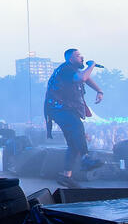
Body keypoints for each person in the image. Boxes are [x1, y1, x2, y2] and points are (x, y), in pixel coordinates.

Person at [44, 48, 105, 189]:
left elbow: (86, 78)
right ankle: (85, 159)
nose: (82, 57)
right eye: (78, 55)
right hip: (58, 108)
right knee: (77, 127)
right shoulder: (65, 69)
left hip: (63, 108)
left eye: (81, 55)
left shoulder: (72, 70)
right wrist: (92, 65)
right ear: (70, 59)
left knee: (73, 143)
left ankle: (66, 176)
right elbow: (82, 78)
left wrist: (99, 90)